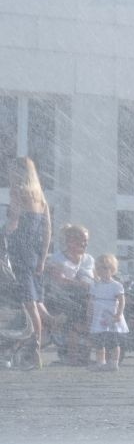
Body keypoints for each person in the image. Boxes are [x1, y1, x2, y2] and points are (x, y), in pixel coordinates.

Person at [5, 156, 52, 369]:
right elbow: (47, 233)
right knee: (33, 303)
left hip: (16, 254)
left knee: (29, 304)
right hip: (33, 256)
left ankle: (31, 350)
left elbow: (12, 226)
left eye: (11, 170)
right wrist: (42, 259)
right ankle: (35, 346)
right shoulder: (41, 198)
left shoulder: (17, 194)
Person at [45, 224, 94, 365]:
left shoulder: (88, 259)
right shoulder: (59, 258)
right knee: (78, 316)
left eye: (86, 240)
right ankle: (72, 356)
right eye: (82, 240)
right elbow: (60, 281)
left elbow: (94, 278)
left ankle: (85, 353)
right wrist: (81, 284)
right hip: (63, 297)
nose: (85, 243)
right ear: (71, 241)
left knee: (97, 310)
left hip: (85, 297)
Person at [87, 254, 127, 371]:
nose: (101, 271)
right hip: (98, 315)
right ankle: (101, 362)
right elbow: (91, 301)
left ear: (112, 269)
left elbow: (121, 301)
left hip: (111, 315)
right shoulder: (95, 285)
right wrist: (89, 314)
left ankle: (114, 362)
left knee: (112, 341)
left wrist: (119, 314)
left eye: (105, 268)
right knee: (99, 341)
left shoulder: (116, 285)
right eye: (98, 268)